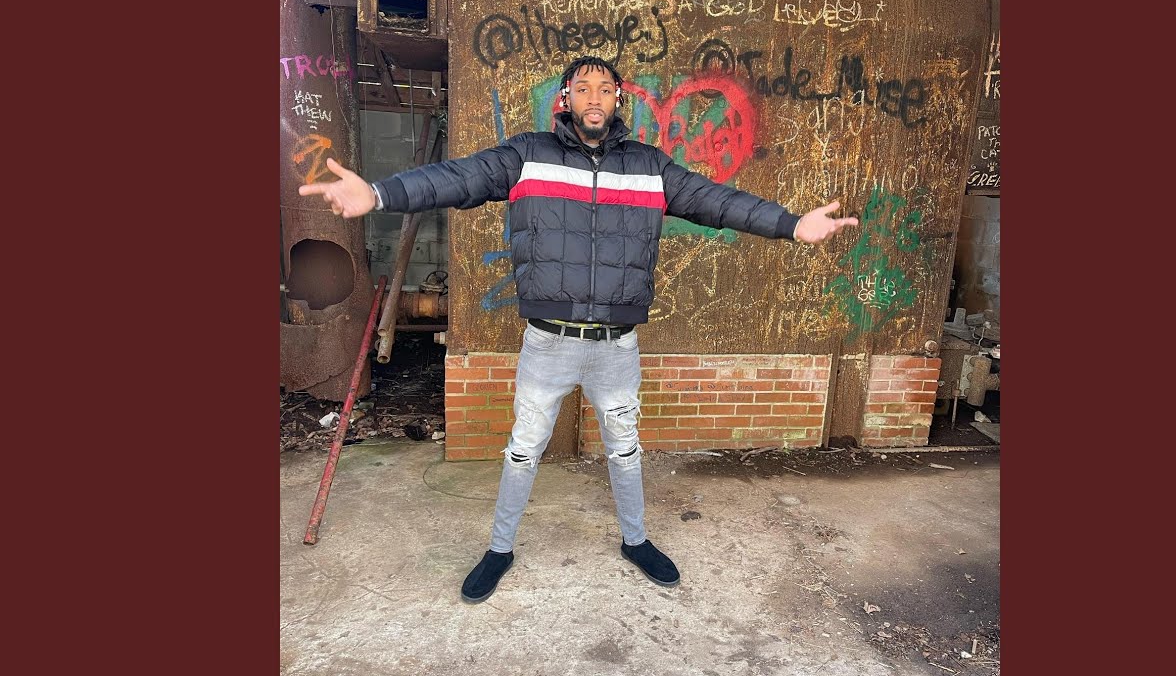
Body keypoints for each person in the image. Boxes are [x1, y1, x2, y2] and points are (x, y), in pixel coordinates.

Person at [300, 55, 859, 604]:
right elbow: (458, 178)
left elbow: (717, 201)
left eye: (605, 88)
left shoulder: (649, 166)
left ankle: (635, 540)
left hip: (616, 347)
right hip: (548, 342)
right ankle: (499, 549)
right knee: (524, 449)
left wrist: (791, 225)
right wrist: (379, 194)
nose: (595, 97)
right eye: (584, 88)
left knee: (625, 448)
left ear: (618, 99)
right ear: (565, 99)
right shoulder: (528, 155)